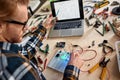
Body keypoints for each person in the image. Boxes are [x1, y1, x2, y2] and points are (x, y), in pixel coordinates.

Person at [0, 0, 84, 80]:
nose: (26, 28)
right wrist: (73, 68)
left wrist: (44, 27)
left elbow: (25, 52)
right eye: (23, 23)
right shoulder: (14, 68)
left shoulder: (7, 51)